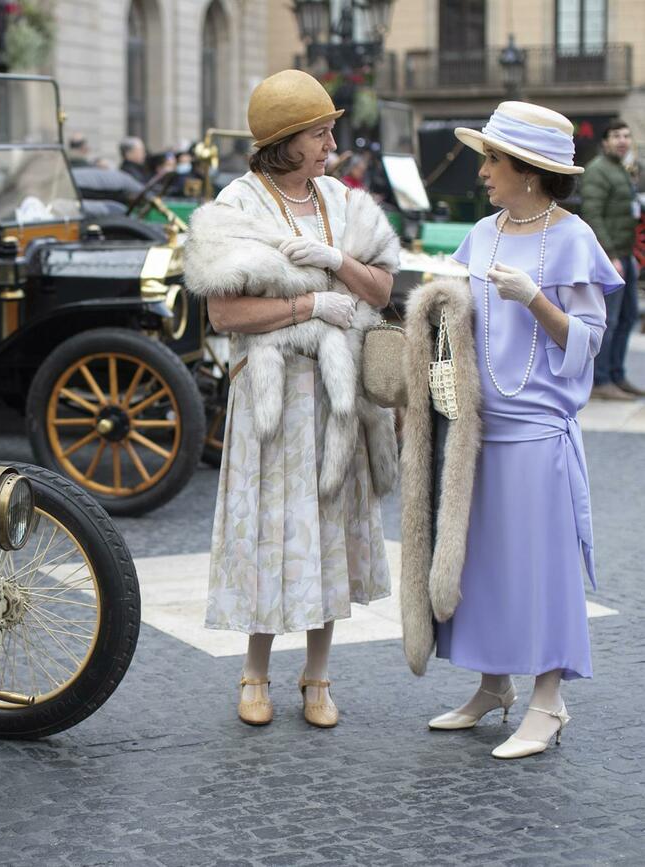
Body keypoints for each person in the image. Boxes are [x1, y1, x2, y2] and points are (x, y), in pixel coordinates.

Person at [183, 69, 399, 729]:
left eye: (330, 131)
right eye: (320, 133)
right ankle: (254, 673)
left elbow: (382, 289)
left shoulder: (343, 200)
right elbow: (225, 312)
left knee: (327, 532)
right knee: (268, 532)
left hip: (337, 399)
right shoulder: (238, 205)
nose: (332, 144)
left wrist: (335, 262)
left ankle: (318, 676)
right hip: (272, 401)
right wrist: (310, 306)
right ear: (286, 142)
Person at [408, 102, 622, 760]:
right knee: (485, 566)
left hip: (537, 431)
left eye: (492, 160)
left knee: (542, 569)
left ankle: (549, 701)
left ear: (528, 170)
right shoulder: (482, 233)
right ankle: (492, 684)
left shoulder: (574, 238)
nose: (482, 171)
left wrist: (535, 298)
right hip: (479, 427)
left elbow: (587, 342)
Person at [582, 119, 643, 399]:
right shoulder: (598, 170)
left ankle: (617, 375)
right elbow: (592, 215)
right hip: (611, 257)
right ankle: (600, 380)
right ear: (605, 141)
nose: (622, 141)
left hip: (626, 254)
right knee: (610, 319)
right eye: (616, 136)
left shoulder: (622, 168)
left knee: (629, 316)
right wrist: (610, 255)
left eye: (626, 136)